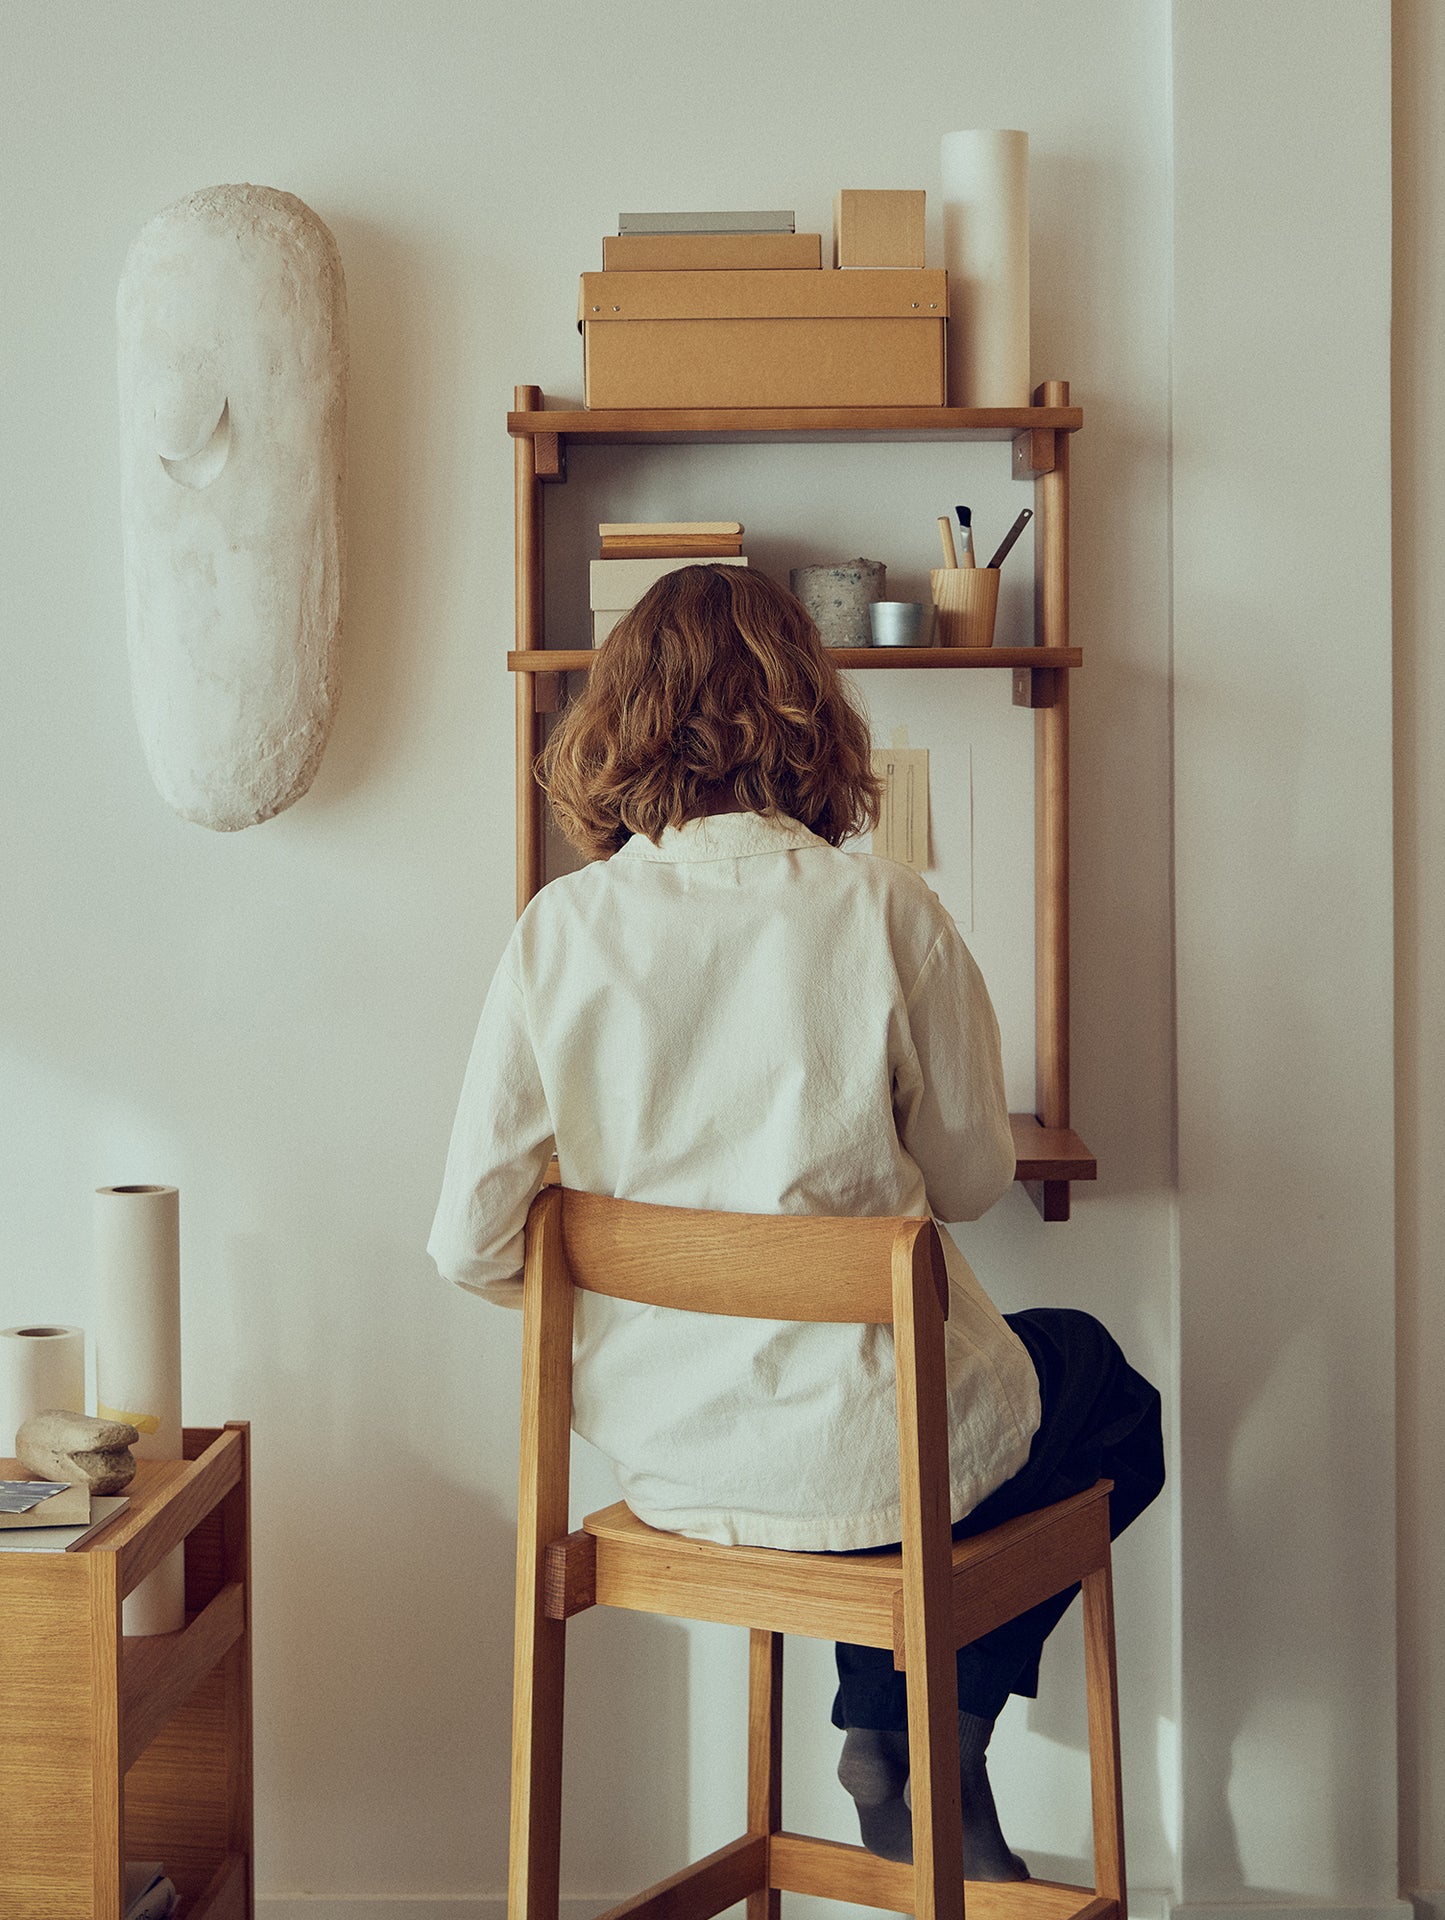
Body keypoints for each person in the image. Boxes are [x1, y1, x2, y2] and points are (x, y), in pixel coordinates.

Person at [428, 564, 1163, 1880]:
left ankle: (893, 1726)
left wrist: (662, 1296)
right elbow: (970, 1182)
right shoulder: (882, 911)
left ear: (620, 721)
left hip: (666, 1468)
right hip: (866, 1467)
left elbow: (471, 1244)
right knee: (1100, 1391)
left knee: (893, 1439)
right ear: (806, 715)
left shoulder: (558, 931)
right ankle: (917, 1726)